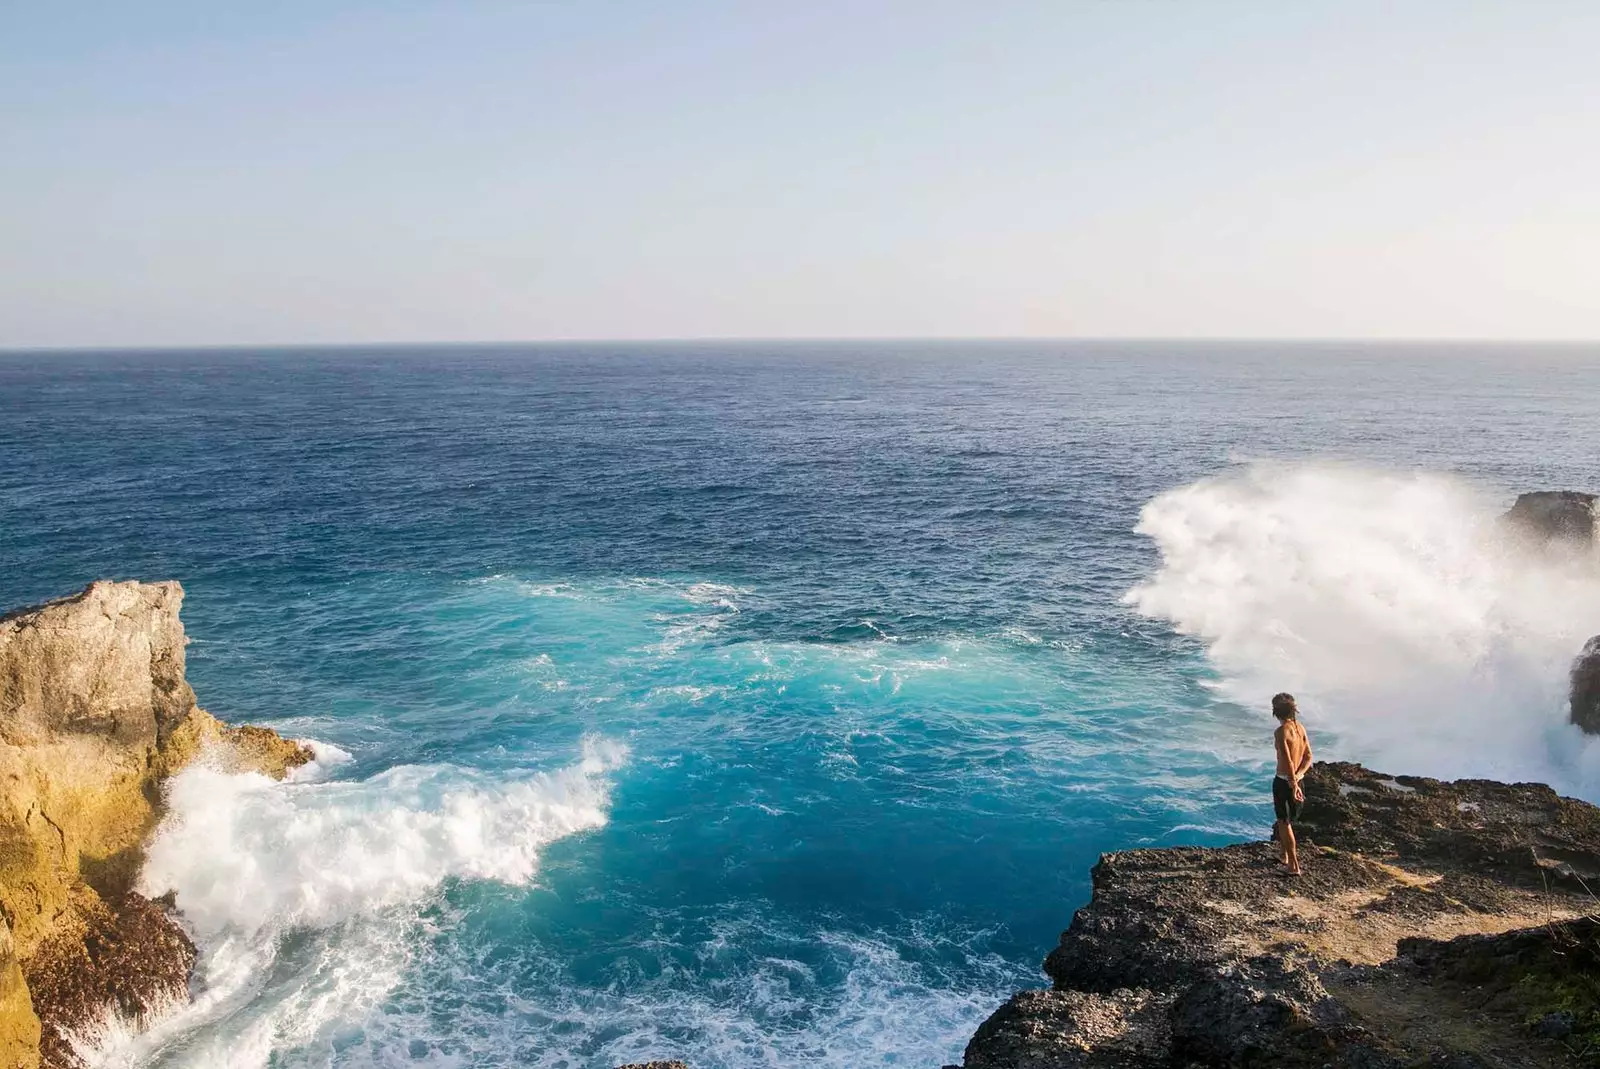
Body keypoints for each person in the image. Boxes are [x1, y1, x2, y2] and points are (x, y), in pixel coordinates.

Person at [1270, 692, 1313, 875]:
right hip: (1298, 780)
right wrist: (1299, 776)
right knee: (1289, 821)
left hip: (1283, 782)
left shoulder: (1281, 732)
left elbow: (1287, 760)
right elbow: (1308, 757)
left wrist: (1291, 782)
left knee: (1283, 822)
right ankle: (1283, 854)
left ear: (1276, 711)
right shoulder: (1300, 728)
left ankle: (1293, 866)